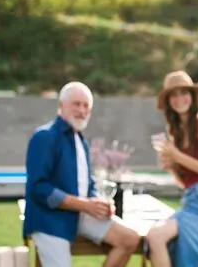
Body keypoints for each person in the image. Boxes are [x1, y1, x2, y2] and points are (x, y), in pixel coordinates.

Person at [23, 82, 140, 267]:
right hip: (48, 219)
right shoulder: (44, 137)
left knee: (130, 239)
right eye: (76, 104)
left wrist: (98, 203)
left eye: (86, 106)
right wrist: (84, 204)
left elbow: (86, 182)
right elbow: (37, 188)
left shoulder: (80, 140)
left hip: (79, 213)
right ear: (61, 106)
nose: (82, 110)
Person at [145, 70, 198, 267]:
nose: (179, 99)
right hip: (191, 202)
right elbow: (186, 181)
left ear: (192, 96)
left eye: (183, 93)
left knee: (157, 238)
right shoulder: (174, 130)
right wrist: (171, 167)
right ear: (168, 101)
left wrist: (177, 156)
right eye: (173, 95)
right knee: (155, 238)